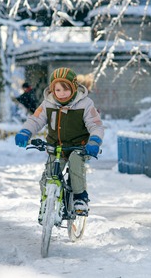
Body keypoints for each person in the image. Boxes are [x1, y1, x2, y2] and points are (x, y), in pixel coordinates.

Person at [14, 68, 104, 223]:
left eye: (66, 89)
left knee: (76, 163)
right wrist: (25, 132)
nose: (61, 93)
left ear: (74, 87)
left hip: (80, 147)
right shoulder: (48, 103)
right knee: (48, 174)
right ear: (52, 89)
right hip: (56, 147)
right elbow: (35, 120)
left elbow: (95, 125)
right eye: (57, 89)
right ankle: (46, 203)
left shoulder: (85, 104)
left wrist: (94, 141)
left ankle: (80, 198)